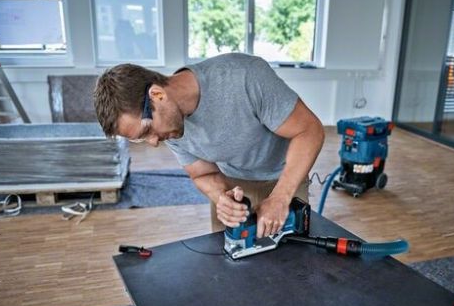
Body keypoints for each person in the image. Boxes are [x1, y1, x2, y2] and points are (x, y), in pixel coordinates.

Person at [94, 53, 324, 237]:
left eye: (147, 131)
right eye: (141, 138)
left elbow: (309, 131)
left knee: (291, 266)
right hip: (234, 185)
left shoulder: (244, 77)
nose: (153, 142)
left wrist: (281, 197)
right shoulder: (170, 126)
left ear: (157, 95)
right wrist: (221, 198)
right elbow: (201, 173)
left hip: (285, 178)